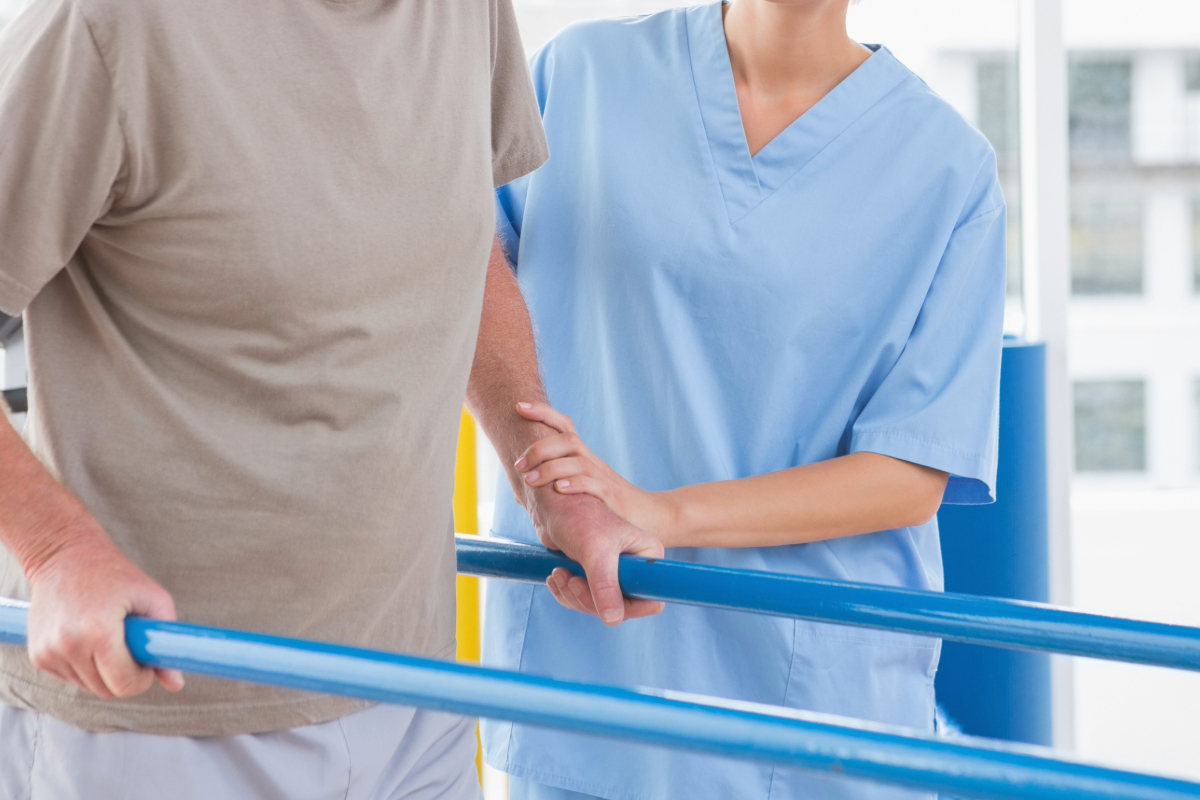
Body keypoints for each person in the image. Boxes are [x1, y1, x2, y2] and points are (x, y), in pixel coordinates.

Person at [0, 0, 557, 796]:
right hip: (165, 700)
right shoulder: (109, 25)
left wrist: (544, 471)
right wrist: (55, 554)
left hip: (415, 690)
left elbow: (465, 247)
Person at [476, 1, 1007, 798]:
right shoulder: (578, 77)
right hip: (591, 677)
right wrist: (543, 484)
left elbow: (911, 472)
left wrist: (663, 512)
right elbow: (463, 276)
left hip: (815, 709)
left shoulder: (944, 168)